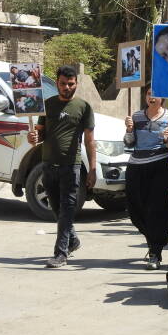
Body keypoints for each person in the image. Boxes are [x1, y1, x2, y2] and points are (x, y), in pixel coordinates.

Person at [27, 65, 96, 268]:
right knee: (57, 210)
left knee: (67, 210)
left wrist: (92, 169)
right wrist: (33, 137)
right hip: (48, 165)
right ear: (57, 83)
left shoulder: (83, 107)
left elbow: (90, 141)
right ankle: (72, 240)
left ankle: (61, 253)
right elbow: (40, 134)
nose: (67, 87)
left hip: (71, 167)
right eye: (63, 83)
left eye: (71, 84)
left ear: (76, 83)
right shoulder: (46, 105)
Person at [124, 86, 168, 270]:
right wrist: (129, 130)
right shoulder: (137, 116)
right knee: (135, 208)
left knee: (158, 210)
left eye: (155, 94)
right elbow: (129, 143)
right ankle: (152, 240)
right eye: (148, 94)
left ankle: (155, 251)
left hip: (162, 165)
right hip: (137, 166)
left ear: (162, 98)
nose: (151, 97)